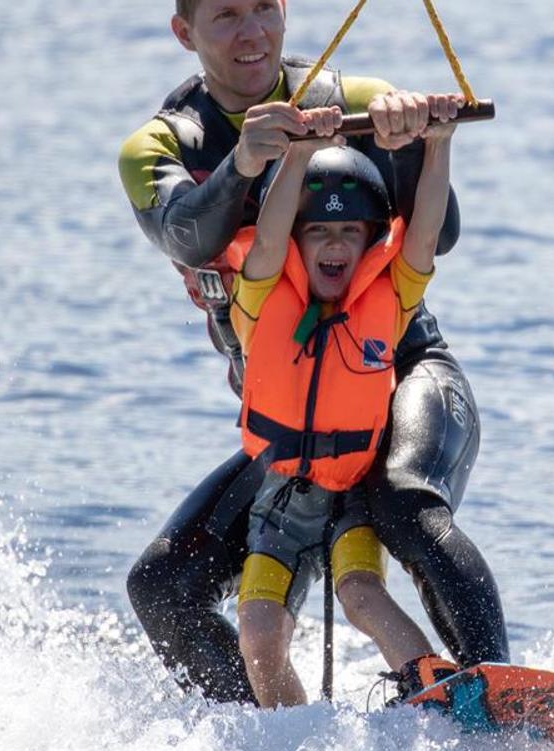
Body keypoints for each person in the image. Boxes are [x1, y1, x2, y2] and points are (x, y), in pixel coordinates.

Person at [117, 0, 508, 704]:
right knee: (161, 587)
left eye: (265, 8)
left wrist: (412, 141)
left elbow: (438, 236)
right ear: (185, 33)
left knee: (404, 503)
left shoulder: (354, 99)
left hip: (404, 374)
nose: (252, 33)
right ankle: (273, 743)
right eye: (227, 15)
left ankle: (500, 697)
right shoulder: (158, 147)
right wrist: (243, 161)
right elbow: (188, 237)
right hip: (296, 421)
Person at [228, 101, 461, 706]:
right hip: (281, 496)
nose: (334, 245)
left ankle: (438, 695)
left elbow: (426, 232)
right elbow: (271, 233)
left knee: (362, 596)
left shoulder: (391, 297)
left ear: (370, 244)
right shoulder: (258, 300)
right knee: (257, 631)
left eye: (349, 233)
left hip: (354, 486)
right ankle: (294, 740)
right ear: (296, 242)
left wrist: (437, 146)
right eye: (319, 232)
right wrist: (299, 152)